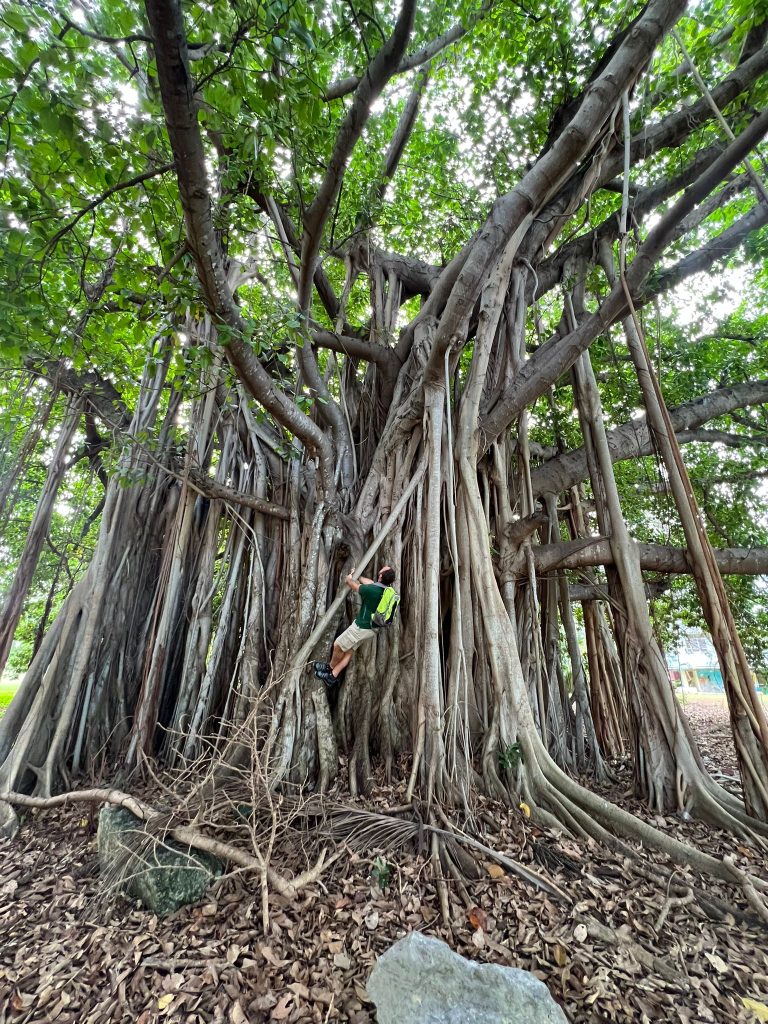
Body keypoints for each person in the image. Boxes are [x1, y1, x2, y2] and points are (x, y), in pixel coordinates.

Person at [314, 565, 396, 686]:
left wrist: (348, 578)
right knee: (349, 651)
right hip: (373, 628)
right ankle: (333, 676)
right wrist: (358, 575)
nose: (383, 567)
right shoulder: (387, 591)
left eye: (384, 568)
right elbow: (371, 583)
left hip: (361, 627)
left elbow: (355, 586)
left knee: (338, 644)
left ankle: (329, 668)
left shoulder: (371, 590)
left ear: (380, 576)